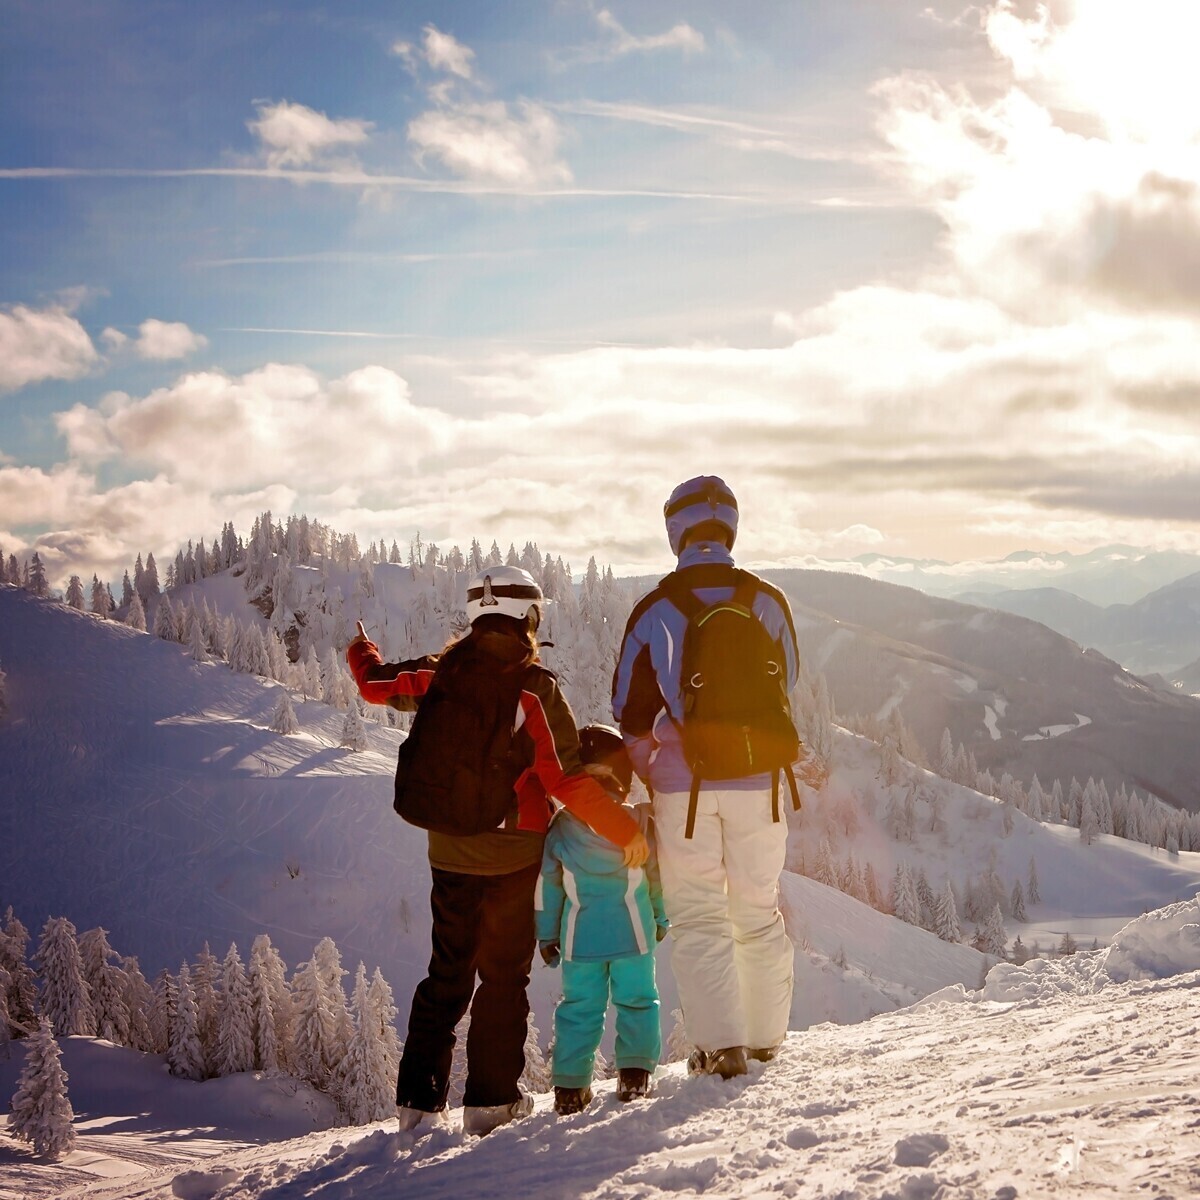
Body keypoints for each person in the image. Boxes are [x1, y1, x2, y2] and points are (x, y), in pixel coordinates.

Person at [348, 565, 649, 1136]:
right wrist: (624, 830)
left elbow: (375, 685)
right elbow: (565, 779)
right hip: (513, 855)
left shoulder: (441, 674)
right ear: (528, 617)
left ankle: (418, 1103)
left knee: (446, 972)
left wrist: (361, 649)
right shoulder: (533, 689)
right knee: (503, 977)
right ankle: (490, 1103)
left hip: (449, 851)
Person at [611, 476, 801, 1080]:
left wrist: (656, 767)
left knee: (698, 916)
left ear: (676, 530)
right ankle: (767, 1040)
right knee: (758, 910)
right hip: (762, 783)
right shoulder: (767, 600)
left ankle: (722, 1048)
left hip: (685, 788)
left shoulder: (655, 609)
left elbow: (628, 710)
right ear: (730, 528)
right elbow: (786, 683)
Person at [535, 724, 668, 1115]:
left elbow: (548, 888)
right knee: (638, 1002)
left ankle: (571, 1088)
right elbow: (657, 877)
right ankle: (634, 1075)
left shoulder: (560, 828)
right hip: (635, 935)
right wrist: (660, 917)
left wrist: (547, 935)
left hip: (580, 941)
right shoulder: (639, 824)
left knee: (579, 1008)